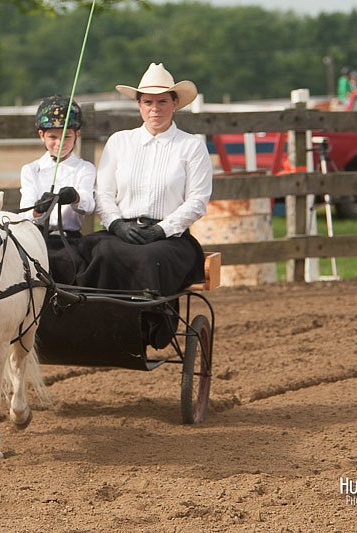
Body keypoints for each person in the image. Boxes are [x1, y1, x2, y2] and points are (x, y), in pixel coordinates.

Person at [75, 63, 213, 347]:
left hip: (169, 238)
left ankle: (149, 326)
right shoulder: (120, 142)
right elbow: (104, 193)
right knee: (95, 249)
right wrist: (115, 224)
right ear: (138, 105)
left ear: (175, 104)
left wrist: (161, 230)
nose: (155, 109)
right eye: (148, 102)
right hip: (122, 230)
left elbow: (198, 200)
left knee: (150, 257)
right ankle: (98, 325)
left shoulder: (191, 146)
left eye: (162, 101)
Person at [19, 95, 96, 284]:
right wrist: (39, 208)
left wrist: (75, 197)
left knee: (73, 265)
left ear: (77, 134)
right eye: (52, 137)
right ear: (41, 135)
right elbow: (26, 212)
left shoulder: (85, 168)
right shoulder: (31, 170)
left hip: (69, 241)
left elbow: (89, 205)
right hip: (35, 238)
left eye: (66, 137)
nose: (59, 143)